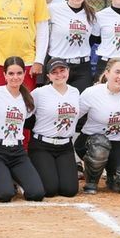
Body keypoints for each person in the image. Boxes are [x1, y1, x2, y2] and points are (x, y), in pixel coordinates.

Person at [0, 56, 45, 202]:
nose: (15, 77)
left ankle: (13, 177)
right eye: (11, 73)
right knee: (5, 194)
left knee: (36, 193)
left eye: (19, 73)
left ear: (24, 74)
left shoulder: (28, 99)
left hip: (17, 152)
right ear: (4, 75)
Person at [75, 58, 120, 194]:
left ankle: (110, 174)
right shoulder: (92, 93)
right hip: (90, 142)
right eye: (117, 72)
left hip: (117, 142)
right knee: (100, 147)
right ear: (107, 73)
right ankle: (91, 182)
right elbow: (73, 118)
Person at [29, 58, 80, 197]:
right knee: (50, 190)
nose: (59, 75)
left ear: (68, 71)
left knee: (69, 191)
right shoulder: (39, 93)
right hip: (42, 145)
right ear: (48, 76)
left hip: (65, 146)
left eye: (62, 70)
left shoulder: (75, 92)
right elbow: (25, 115)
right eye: (54, 72)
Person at [46, 0, 96, 93]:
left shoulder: (92, 14)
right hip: (58, 64)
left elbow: (93, 39)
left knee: (81, 104)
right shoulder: (53, 10)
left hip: (82, 67)